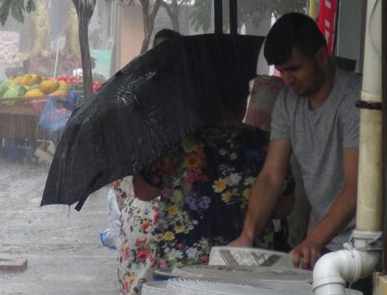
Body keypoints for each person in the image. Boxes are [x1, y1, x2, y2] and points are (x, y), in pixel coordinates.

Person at [130, 78, 294, 291]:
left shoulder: (173, 142)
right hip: (247, 265)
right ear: (244, 100)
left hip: (183, 265)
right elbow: (285, 206)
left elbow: (143, 192)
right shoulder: (263, 143)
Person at [230, 12, 362, 273]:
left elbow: (356, 186)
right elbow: (270, 177)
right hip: (328, 242)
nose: (287, 79)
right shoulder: (287, 102)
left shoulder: (353, 99)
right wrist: (247, 234)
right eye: (281, 71)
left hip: (367, 244)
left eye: (294, 68)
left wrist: (313, 241)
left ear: (321, 56)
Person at [112, 29, 181, 295]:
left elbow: (118, 173)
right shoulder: (191, 104)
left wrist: (128, 201)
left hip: (137, 217)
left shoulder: (130, 100)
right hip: (170, 223)